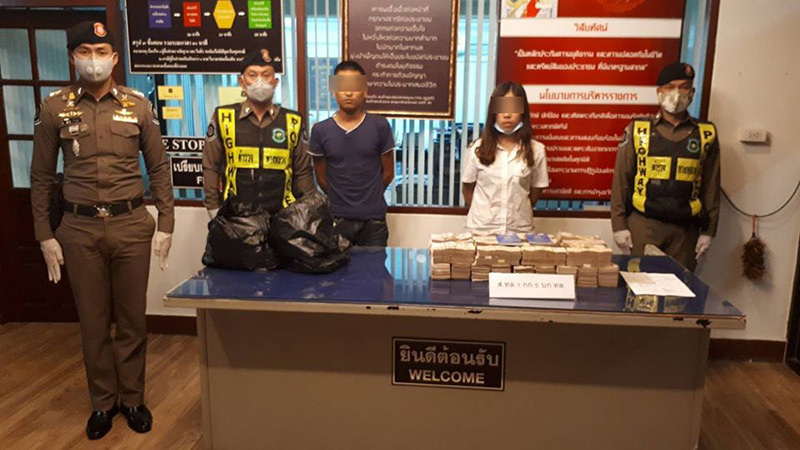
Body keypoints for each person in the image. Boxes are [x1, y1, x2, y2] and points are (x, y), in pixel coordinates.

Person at [30, 21, 174, 440]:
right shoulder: (55, 108)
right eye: (85, 52)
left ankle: (133, 399)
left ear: (114, 58)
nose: (93, 60)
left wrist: (166, 223)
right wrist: (44, 234)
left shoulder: (138, 105)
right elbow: (41, 177)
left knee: (131, 320)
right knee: (93, 322)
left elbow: (159, 167)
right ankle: (103, 403)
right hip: (79, 229)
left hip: (131, 226)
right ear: (73, 57)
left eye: (101, 52)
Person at [610, 62, 721, 271]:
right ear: (659, 92)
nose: (677, 93)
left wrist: (709, 231)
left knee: (681, 287)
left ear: (692, 92)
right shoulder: (638, 130)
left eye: (684, 87)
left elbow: (711, 186)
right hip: (644, 226)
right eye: (670, 87)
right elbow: (621, 180)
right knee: (640, 286)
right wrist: (619, 225)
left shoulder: (706, 134)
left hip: (686, 230)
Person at [203, 48, 315, 218]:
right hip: (236, 219)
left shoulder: (293, 121)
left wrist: (310, 212)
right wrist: (213, 210)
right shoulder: (223, 117)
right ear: (241, 82)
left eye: (266, 75)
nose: (259, 81)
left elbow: (303, 173)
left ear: (275, 82)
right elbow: (210, 167)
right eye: (252, 75)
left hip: (283, 219)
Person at [308, 60, 395, 246]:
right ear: (334, 90)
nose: (348, 93)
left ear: (365, 91)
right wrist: (342, 200)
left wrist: (369, 197)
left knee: (374, 265)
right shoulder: (320, 131)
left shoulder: (380, 126)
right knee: (338, 265)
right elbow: (321, 178)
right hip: (337, 217)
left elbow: (388, 173)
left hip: (374, 219)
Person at [461, 81, 549, 235]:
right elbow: (468, 189)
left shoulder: (537, 150)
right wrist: (485, 214)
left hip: (519, 231)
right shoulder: (476, 149)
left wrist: (517, 211)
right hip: (481, 231)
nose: (507, 115)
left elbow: (535, 191)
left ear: (523, 111)